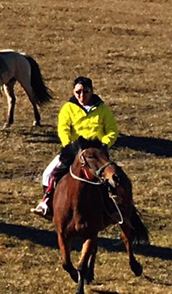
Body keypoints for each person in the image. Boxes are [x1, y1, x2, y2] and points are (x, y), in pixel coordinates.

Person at [34, 75, 118, 218]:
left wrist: (105, 143)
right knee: (49, 173)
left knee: (112, 176)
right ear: (73, 92)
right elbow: (63, 128)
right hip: (74, 149)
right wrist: (68, 144)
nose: (81, 95)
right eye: (78, 92)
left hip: (97, 152)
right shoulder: (68, 108)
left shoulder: (102, 109)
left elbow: (112, 130)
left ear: (91, 91)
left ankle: (113, 207)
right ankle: (47, 203)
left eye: (85, 92)